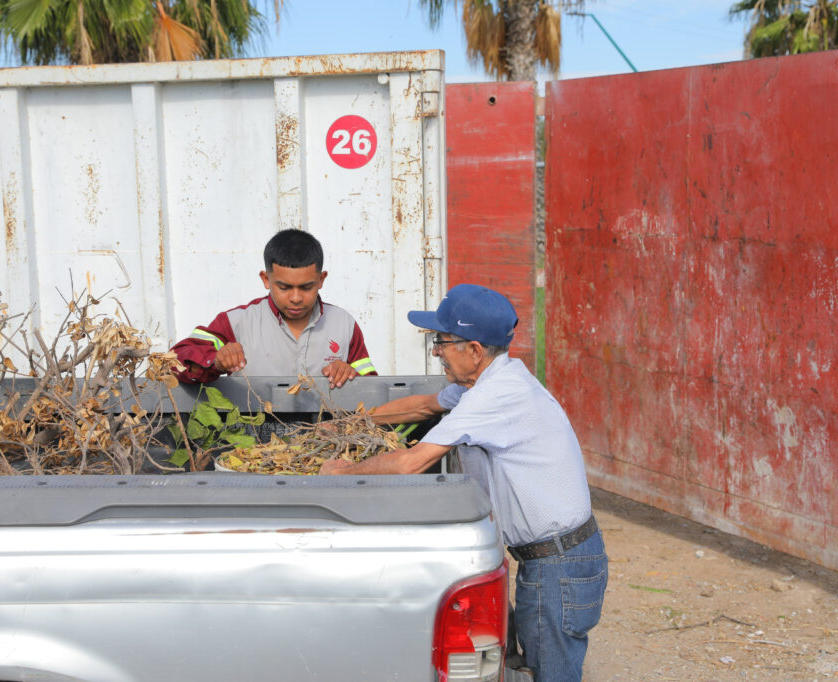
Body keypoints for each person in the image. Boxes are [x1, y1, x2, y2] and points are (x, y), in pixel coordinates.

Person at [319, 283, 607, 681]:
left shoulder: (495, 398)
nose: (435, 350)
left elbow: (410, 463)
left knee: (551, 676)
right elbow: (423, 405)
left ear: (473, 350)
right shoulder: (491, 381)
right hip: (555, 558)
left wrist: (342, 472)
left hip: (559, 566)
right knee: (529, 666)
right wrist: (350, 424)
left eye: (442, 341)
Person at [171, 229, 376, 388]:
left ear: (321, 280)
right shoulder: (236, 322)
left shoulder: (343, 323)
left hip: (327, 436)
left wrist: (350, 375)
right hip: (252, 438)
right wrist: (216, 361)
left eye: (306, 287)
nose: (296, 298)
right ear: (266, 279)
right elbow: (175, 362)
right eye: (284, 287)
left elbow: (373, 390)